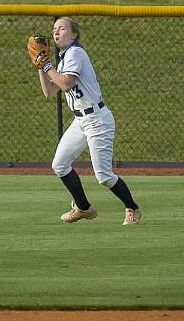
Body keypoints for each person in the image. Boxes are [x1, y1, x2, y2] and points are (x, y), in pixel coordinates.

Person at [35, 17, 141, 226]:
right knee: (60, 164)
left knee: (103, 176)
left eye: (62, 28)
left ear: (73, 35)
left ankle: (133, 207)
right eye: (54, 29)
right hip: (80, 121)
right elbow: (49, 92)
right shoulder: (65, 58)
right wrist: (40, 66)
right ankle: (83, 208)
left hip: (97, 120)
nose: (56, 32)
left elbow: (65, 84)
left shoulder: (76, 53)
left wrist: (47, 66)